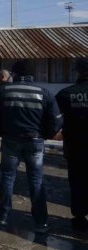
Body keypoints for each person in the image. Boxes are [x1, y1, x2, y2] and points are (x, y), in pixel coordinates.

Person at [0, 60, 63, 234]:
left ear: (14, 74)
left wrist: (0, 132)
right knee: (36, 181)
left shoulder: (2, 92)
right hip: (35, 141)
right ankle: (41, 222)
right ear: (32, 74)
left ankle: (3, 216)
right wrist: (46, 134)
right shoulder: (44, 93)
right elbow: (57, 121)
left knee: (7, 178)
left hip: (11, 141)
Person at [55, 58, 88, 232]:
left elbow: (54, 119)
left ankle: (80, 217)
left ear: (78, 72)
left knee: (77, 181)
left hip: (75, 146)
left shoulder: (65, 94)